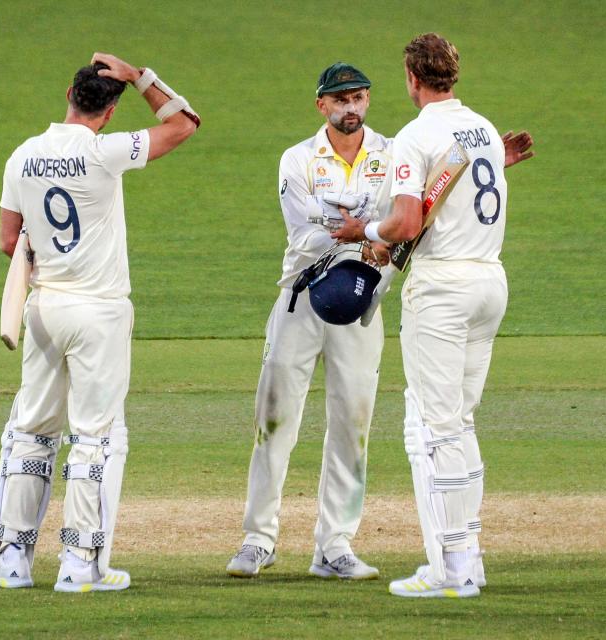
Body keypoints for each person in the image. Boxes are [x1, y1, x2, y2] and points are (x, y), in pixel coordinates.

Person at [0, 52, 198, 592]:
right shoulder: (107, 151)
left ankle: (11, 562)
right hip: (99, 310)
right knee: (95, 437)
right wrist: (140, 76)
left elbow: (10, 241)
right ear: (111, 109)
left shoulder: (23, 155)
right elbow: (184, 124)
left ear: (68, 96)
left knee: (32, 430)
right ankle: (80, 566)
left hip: (46, 307)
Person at [333, 33, 534, 598]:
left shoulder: (416, 137)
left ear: (412, 79)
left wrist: (361, 232)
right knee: (453, 423)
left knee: (435, 427)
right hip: (489, 283)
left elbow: (404, 224)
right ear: (452, 75)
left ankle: (454, 569)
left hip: (443, 290)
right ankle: (462, 554)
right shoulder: (483, 129)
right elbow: (454, 191)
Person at [226, 63, 393, 580]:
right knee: (274, 418)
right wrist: (372, 235)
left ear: (368, 101)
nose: (351, 106)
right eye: (340, 98)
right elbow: (304, 235)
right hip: (302, 299)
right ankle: (258, 540)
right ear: (322, 104)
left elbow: (415, 217)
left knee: (353, 424)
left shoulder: (392, 156)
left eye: (359, 97)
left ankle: (334, 546)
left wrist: (362, 231)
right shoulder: (297, 159)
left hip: (362, 306)